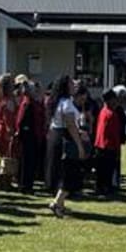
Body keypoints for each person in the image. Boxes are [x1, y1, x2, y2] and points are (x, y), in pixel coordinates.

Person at [47, 84, 88, 218]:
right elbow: (70, 125)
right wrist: (80, 145)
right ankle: (57, 203)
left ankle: (61, 204)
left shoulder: (60, 102)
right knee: (70, 174)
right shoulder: (67, 104)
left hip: (61, 139)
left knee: (65, 173)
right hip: (68, 143)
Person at [14, 79, 46, 195]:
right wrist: (24, 134)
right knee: (27, 163)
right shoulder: (28, 103)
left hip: (34, 136)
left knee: (31, 163)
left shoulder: (33, 102)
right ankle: (25, 186)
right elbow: (22, 122)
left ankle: (28, 184)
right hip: (29, 138)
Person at [44, 76, 74, 194]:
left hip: (54, 133)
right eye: (71, 83)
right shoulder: (65, 102)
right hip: (62, 134)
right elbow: (70, 124)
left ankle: (53, 186)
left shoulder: (56, 101)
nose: (74, 85)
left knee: (54, 162)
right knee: (62, 165)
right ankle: (59, 189)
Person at [93, 89, 123, 197]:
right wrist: (117, 150)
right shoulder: (112, 114)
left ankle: (99, 189)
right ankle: (106, 189)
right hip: (109, 146)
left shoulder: (102, 111)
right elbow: (115, 134)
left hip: (99, 145)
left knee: (100, 171)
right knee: (108, 171)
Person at [0, 74, 18, 191]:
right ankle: (4, 182)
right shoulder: (8, 101)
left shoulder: (0, 99)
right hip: (6, 131)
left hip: (0, 130)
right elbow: (8, 118)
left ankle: (1, 180)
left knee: (1, 156)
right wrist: (11, 131)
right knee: (7, 156)